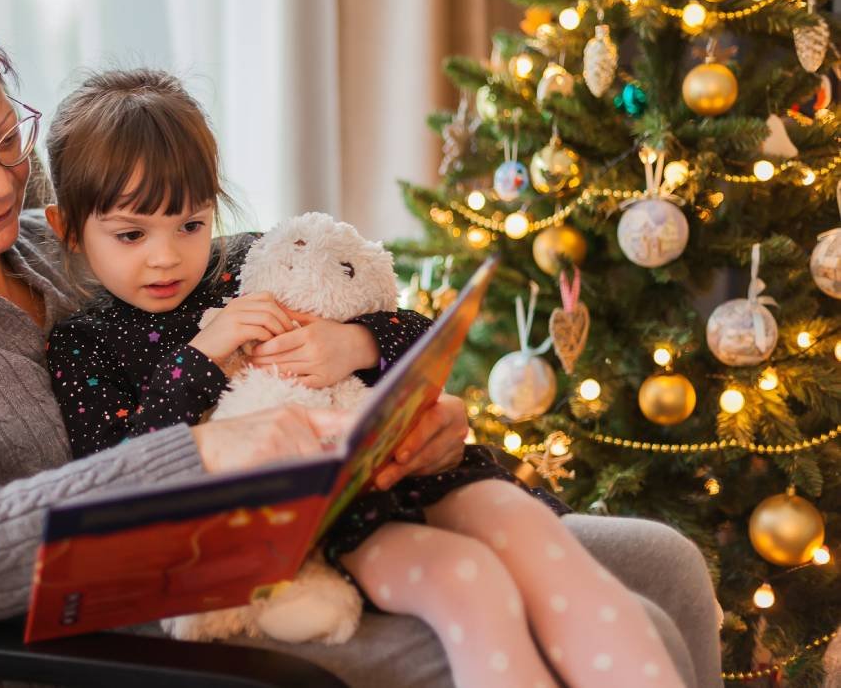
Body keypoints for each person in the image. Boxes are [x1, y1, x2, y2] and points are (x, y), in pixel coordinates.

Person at [0, 0, 722, 687]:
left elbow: (278, 270)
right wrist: (202, 453)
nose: (2, 185)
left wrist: (406, 395)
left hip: (297, 525)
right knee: (529, 618)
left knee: (664, 562)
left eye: (7, 139)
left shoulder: (49, 239)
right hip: (124, 627)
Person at [42, 69, 685, 687]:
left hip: (420, 469)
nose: (166, 256)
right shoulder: (84, 345)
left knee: (552, 554)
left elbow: (419, 335)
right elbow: (120, 472)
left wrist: (354, 343)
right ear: (67, 228)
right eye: (131, 235)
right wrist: (201, 357)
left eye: (190, 224)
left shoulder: (256, 260)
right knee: (469, 583)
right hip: (335, 524)